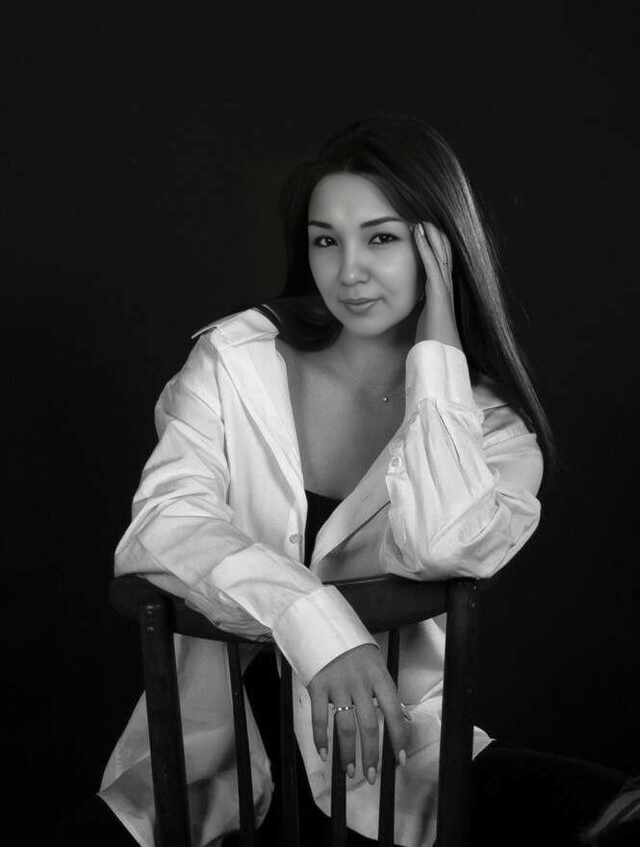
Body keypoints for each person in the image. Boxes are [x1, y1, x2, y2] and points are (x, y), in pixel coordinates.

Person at [90, 116, 637, 846]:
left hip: (397, 765)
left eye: (382, 238)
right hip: (224, 768)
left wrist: (437, 355)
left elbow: (441, 545)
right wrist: (317, 625)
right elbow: (164, 523)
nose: (348, 271)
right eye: (326, 241)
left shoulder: (492, 431)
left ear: (440, 247)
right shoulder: (235, 360)